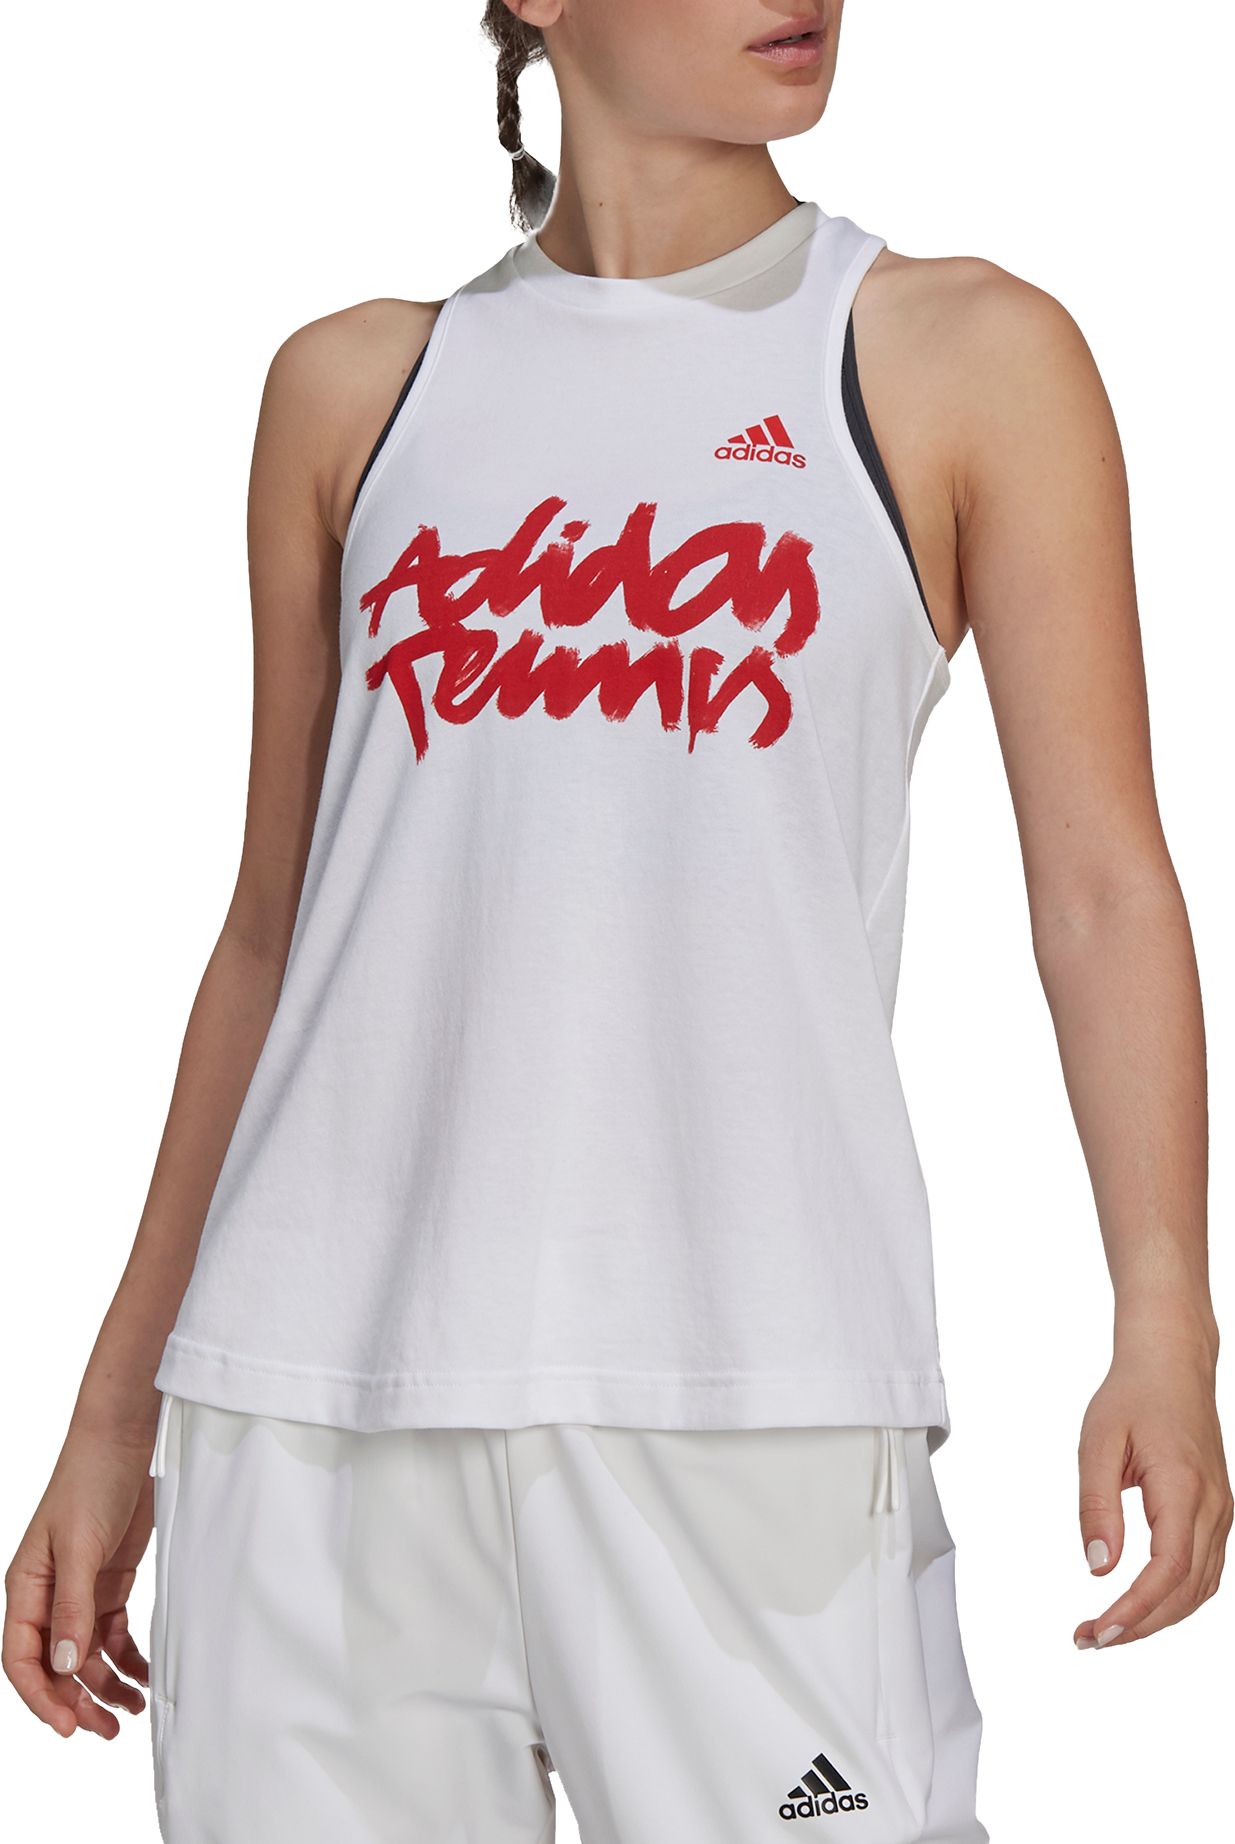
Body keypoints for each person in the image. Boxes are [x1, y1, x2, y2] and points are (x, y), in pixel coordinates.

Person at [4, 2, 1230, 1839]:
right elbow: (271, 931)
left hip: (752, 1387)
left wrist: (1166, 1313)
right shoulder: (354, 389)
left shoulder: (957, 354)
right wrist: (114, 1413)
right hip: (313, 1411)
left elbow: (1105, 886)